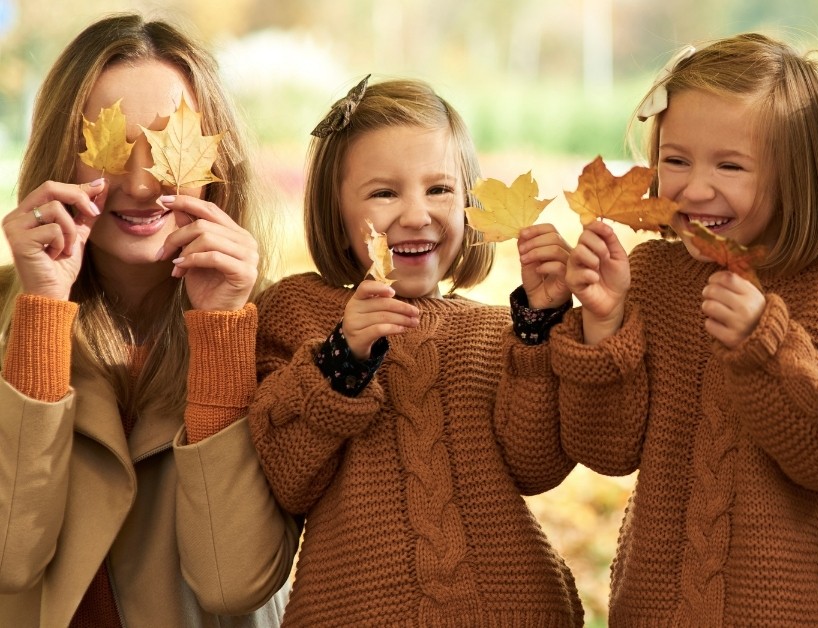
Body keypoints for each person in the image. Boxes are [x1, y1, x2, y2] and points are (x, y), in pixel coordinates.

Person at [550, 33, 818, 625]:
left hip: (794, 613)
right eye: (676, 160)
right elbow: (607, 450)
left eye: (730, 165)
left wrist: (768, 346)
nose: (695, 188)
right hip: (655, 611)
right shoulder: (649, 276)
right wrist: (604, 323)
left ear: (798, 173)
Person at [247, 77, 584, 626]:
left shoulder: (494, 330)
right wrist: (343, 359)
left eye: (439, 189)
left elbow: (537, 465)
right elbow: (287, 477)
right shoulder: (298, 314)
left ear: (471, 203)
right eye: (384, 193)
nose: (416, 214)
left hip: (511, 607)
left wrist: (537, 328)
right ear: (335, 208)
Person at [0, 13, 297, 627]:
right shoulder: (17, 314)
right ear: (62, 155)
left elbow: (232, 583)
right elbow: (8, 557)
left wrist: (221, 331)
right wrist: (43, 315)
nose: (140, 181)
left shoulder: (276, 325)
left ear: (219, 160)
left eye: (169, 145)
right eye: (106, 146)